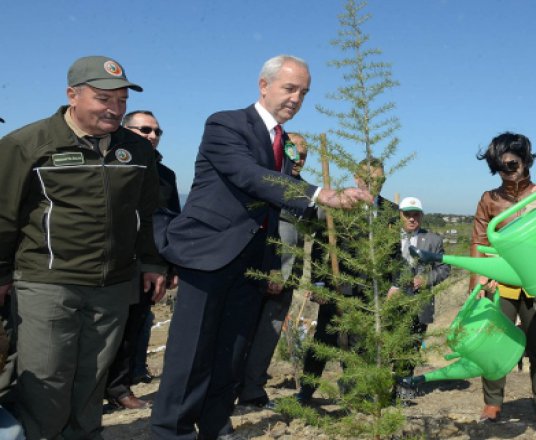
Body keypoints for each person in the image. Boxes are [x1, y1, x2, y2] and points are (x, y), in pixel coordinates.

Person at [150, 55, 371, 440]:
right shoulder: (225, 123)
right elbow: (251, 176)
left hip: (251, 264)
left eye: (303, 92)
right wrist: (323, 194)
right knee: (191, 355)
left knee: (232, 354)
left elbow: (273, 208)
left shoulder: (282, 141)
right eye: (289, 88)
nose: (296, 99)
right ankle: (173, 432)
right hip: (208, 256)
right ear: (263, 85)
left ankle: (216, 426)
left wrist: (272, 264)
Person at [0, 55, 167, 439]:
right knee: (47, 380)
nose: (115, 108)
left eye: (121, 100)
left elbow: (147, 212)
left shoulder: (138, 152)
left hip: (112, 285)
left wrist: (153, 263)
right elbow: (4, 216)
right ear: (72, 95)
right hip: (49, 281)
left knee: (92, 378)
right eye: (104, 98)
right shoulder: (28, 145)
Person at [470, 132, 536, 426]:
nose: (507, 173)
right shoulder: (489, 199)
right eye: (500, 167)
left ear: (525, 160)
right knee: (493, 345)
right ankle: (492, 404)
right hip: (500, 286)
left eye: (512, 165)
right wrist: (479, 284)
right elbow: (478, 242)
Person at [296, 158, 396, 404]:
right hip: (338, 287)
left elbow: (396, 254)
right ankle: (306, 393)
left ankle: (354, 396)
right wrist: (318, 283)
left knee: (360, 345)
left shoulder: (391, 211)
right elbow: (321, 247)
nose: (375, 184)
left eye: (380, 180)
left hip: (370, 291)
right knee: (324, 340)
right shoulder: (341, 205)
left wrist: (394, 284)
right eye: (369, 179)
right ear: (357, 178)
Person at [103, 110, 181, 411]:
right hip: (105, 262)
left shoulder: (167, 175)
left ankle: (119, 388)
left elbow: (170, 223)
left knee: (132, 329)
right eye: (144, 129)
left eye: (157, 131)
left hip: (146, 266)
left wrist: (169, 266)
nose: (152, 136)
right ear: (125, 130)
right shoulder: (109, 163)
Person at [238, 133, 310, 408]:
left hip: (288, 275)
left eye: (303, 155)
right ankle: (229, 388)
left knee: (268, 335)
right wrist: (272, 270)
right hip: (259, 272)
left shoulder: (303, 190)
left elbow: (303, 236)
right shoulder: (264, 183)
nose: (298, 159)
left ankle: (252, 391)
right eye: (293, 153)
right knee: (243, 333)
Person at [389, 196, 450, 399]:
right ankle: (384, 387)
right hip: (390, 301)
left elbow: (444, 268)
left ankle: (403, 390)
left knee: (411, 347)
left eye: (416, 215)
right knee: (389, 345)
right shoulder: (386, 238)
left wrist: (426, 279)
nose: (412, 219)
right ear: (400, 216)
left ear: (422, 216)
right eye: (407, 215)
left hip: (418, 302)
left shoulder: (433, 241)